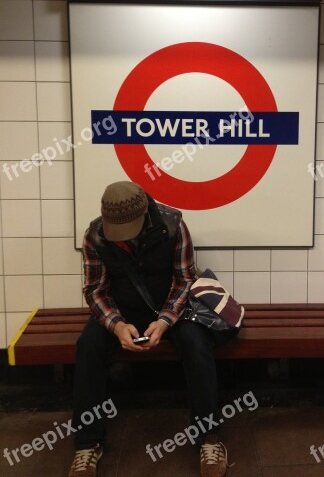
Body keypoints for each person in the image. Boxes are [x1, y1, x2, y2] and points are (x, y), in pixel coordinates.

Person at [68, 181, 235, 477]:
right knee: (88, 346)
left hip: (172, 308)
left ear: (146, 213)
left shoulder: (174, 226)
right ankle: (87, 442)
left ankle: (208, 436)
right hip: (122, 311)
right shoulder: (95, 235)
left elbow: (184, 280)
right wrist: (116, 325)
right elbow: (95, 290)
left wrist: (164, 320)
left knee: (197, 345)